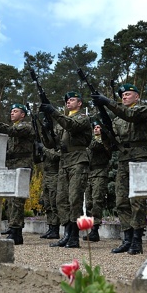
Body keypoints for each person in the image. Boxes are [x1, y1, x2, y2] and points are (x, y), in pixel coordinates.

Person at [92, 84, 147, 255]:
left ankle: (137, 240)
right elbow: (112, 145)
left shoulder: (143, 111)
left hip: (140, 156)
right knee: (121, 201)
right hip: (123, 158)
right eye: (123, 95)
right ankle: (127, 238)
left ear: (137, 96)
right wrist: (106, 133)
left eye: (128, 94)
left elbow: (129, 115)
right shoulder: (118, 120)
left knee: (137, 200)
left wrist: (106, 102)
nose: (124, 97)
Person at [40, 91, 91, 249]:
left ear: (80, 103)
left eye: (72, 99)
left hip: (78, 160)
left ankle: (74, 236)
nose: (68, 102)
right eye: (67, 100)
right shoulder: (61, 122)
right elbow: (51, 144)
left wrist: (53, 112)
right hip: (64, 161)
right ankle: (67, 234)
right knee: (61, 199)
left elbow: (72, 125)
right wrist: (46, 129)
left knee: (74, 198)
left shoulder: (83, 117)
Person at [0, 103, 35, 245]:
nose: (12, 113)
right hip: (11, 164)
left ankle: (16, 232)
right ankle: (13, 228)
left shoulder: (26, 126)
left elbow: (10, 131)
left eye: (15, 111)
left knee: (17, 200)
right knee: (10, 200)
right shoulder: (12, 129)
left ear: (22, 115)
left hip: (22, 164)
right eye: (11, 111)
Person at [83, 120, 112, 243]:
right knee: (89, 202)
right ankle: (91, 229)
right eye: (94, 127)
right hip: (89, 173)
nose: (96, 129)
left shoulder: (103, 140)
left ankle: (95, 229)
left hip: (100, 173)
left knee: (97, 201)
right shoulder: (90, 141)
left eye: (98, 127)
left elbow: (96, 147)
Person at [39, 145, 61, 240]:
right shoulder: (47, 145)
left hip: (54, 175)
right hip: (46, 174)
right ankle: (50, 227)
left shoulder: (57, 144)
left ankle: (55, 228)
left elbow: (56, 156)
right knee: (47, 203)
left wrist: (44, 148)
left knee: (53, 202)